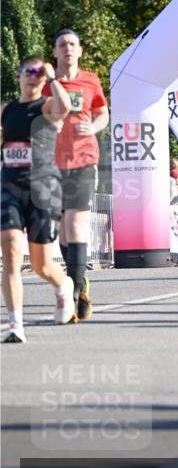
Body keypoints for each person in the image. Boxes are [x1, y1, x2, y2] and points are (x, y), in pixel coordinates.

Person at [2, 55, 74, 342]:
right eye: (28, 71)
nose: (33, 76)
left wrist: (53, 76)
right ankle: (15, 325)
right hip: (9, 187)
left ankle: (62, 286)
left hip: (43, 189)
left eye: (38, 72)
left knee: (40, 265)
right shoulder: (7, 110)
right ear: (19, 74)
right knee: (10, 251)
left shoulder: (46, 106)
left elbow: (64, 107)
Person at [46, 29, 109, 321]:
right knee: (62, 231)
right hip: (51, 163)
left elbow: (103, 113)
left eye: (72, 44)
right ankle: (79, 280)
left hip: (84, 160)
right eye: (62, 44)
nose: (68, 48)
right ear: (55, 51)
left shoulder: (91, 80)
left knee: (76, 225)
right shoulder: (45, 81)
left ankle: (74, 294)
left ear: (80, 50)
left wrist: (93, 127)